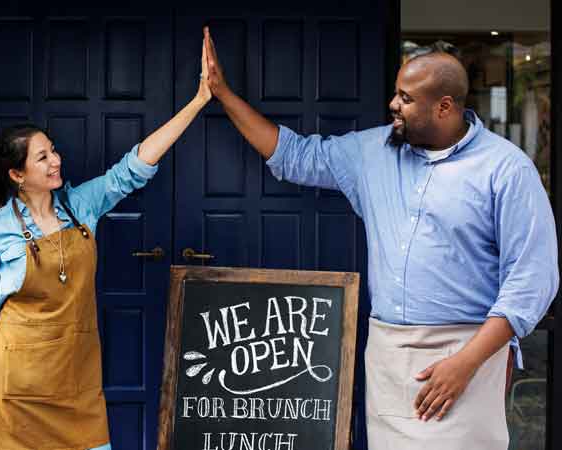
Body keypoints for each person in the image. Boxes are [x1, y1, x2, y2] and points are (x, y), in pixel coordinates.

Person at [201, 26, 559, 449]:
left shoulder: (506, 169)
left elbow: (531, 282)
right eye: (396, 93)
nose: (393, 104)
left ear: (444, 107)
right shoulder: (372, 153)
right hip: (389, 353)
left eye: (406, 99)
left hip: (469, 352)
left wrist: (466, 362)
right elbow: (294, 156)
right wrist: (222, 93)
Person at [0, 40, 211, 450]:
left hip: (76, 385)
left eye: (53, 150)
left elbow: (133, 168)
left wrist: (198, 101)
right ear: (17, 174)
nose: (55, 160)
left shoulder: (80, 206)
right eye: (41, 157)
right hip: (15, 392)